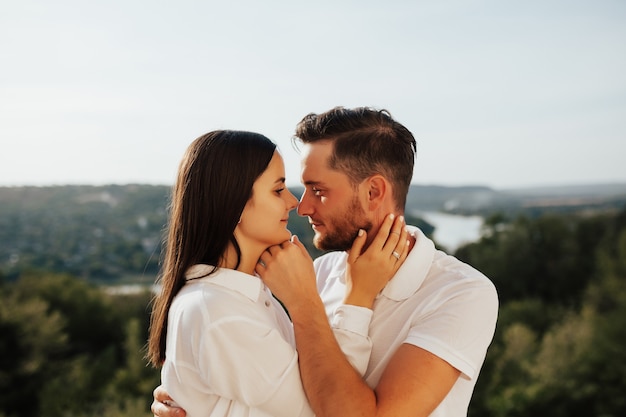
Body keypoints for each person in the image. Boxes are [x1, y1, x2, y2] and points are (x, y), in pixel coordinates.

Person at [152, 107, 499, 417]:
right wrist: (193, 391)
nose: (301, 207)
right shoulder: (317, 273)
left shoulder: (460, 293)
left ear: (373, 192)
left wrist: (309, 305)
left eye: (318, 191)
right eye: (291, 189)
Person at [147, 129, 409, 417]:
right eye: (277, 189)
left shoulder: (246, 296)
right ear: (233, 202)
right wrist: (358, 297)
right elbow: (324, 409)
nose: (293, 202)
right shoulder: (218, 311)